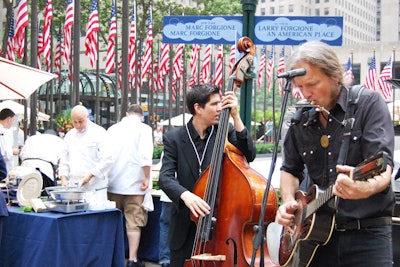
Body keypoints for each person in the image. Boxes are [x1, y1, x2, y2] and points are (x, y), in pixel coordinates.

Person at [276, 41, 394, 267]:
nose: (305, 93)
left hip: (367, 235)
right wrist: (289, 203)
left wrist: (364, 188)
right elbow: (290, 169)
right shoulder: (301, 119)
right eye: (299, 87)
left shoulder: (367, 104)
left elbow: (383, 165)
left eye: (312, 84)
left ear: (335, 75)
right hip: (316, 240)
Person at [158, 84, 256, 267]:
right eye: (215, 104)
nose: (220, 108)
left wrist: (235, 116)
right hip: (185, 227)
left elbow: (250, 153)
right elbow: (165, 177)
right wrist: (185, 195)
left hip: (220, 225)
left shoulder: (225, 131)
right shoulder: (174, 138)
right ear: (198, 108)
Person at [106, 104, 153, 267]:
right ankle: (132, 259)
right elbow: (145, 156)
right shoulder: (144, 129)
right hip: (135, 184)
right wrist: (147, 177)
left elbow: (105, 156)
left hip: (112, 183)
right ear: (141, 116)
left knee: (112, 223)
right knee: (134, 223)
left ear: (126, 114)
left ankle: (112, 257)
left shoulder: (112, 129)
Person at [59, 105, 112, 196]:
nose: (78, 125)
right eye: (75, 122)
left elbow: (107, 160)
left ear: (87, 117)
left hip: (95, 186)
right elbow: (64, 160)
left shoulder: (99, 132)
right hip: (74, 186)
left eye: (80, 121)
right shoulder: (70, 135)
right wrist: (63, 178)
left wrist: (90, 175)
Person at [0, 108, 19, 173]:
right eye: (13, 120)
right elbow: (3, 152)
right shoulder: (1, 132)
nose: (12, 123)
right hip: (3, 169)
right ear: (9, 119)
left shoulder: (4, 131)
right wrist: (13, 151)